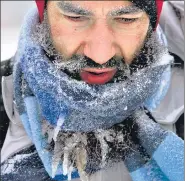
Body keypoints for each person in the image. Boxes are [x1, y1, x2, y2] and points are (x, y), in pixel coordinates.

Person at [0, 1, 184, 181]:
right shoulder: (5, 97)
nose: (100, 55)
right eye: (75, 17)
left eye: (127, 19)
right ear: (44, 14)